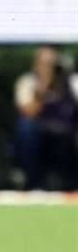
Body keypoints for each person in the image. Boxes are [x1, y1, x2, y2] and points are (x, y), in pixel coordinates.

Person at [14, 47, 78, 190]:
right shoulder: (28, 82)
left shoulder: (72, 82)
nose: (47, 67)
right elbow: (28, 112)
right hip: (40, 132)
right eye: (43, 63)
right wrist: (43, 88)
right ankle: (33, 183)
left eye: (51, 63)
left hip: (68, 132)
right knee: (26, 128)